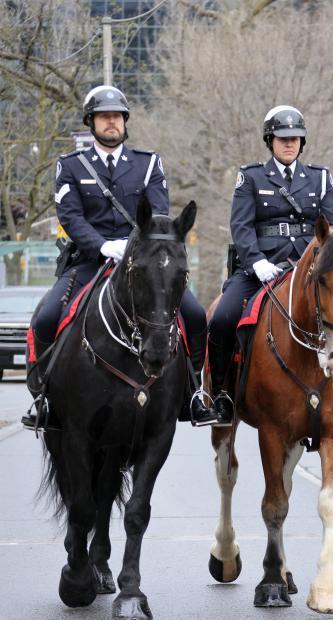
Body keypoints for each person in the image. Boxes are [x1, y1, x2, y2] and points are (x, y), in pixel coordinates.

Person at [23, 85, 214, 430]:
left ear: (125, 122)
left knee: (195, 316)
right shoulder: (71, 165)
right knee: (47, 318)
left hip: (140, 262)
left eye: (117, 117)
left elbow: (157, 213)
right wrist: (100, 245)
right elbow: (70, 216)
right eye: (104, 117)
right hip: (89, 261)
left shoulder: (147, 164)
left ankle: (195, 392)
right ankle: (44, 399)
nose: (111, 122)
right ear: (91, 122)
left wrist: (132, 246)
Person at [204, 105, 333, 426]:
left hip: (308, 270)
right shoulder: (251, 177)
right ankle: (221, 395)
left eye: (295, 138)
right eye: (282, 138)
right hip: (262, 268)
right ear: (270, 140)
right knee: (222, 319)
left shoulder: (319, 179)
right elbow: (240, 226)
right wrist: (256, 263)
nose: (289, 143)